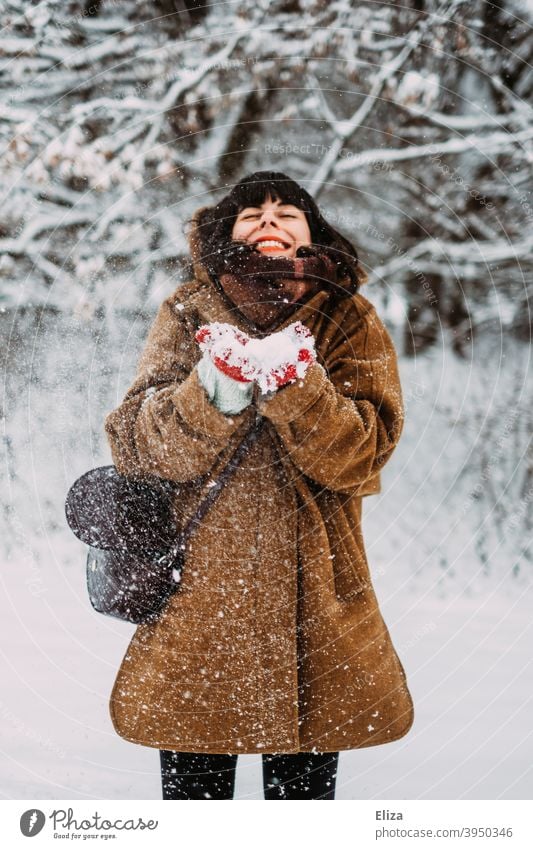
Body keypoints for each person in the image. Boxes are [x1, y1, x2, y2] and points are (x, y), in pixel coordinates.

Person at [104, 171, 415, 800]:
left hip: (317, 595)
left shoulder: (350, 318)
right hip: (200, 599)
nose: (268, 220)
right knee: (196, 815)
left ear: (313, 233)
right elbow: (137, 444)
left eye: (287, 211)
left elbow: (364, 453)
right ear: (225, 231)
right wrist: (212, 392)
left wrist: (301, 387)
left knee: (300, 818)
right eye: (251, 212)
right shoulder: (188, 310)